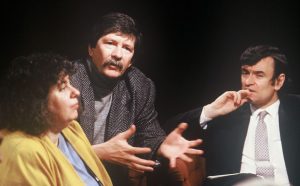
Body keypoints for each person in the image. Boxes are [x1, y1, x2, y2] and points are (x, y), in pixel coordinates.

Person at [70, 12, 203, 185]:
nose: (118, 54)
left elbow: (149, 133)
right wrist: (97, 152)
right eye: (110, 43)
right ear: (91, 49)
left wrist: (161, 146)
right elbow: (45, 147)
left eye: (127, 48)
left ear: (131, 61)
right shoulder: (67, 80)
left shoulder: (140, 85)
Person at [166, 45, 299, 185]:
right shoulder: (227, 115)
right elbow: (165, 131)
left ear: (278, 81)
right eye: (245, 73)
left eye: (259, 75)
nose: (248, 82)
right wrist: (210, 111)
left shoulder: (296, 109)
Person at [0, 53, 112, 186]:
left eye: (70, 83)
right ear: (37, 99)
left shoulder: (71, 128)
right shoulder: (23, 151)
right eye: (63, 87)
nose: (76, 92)